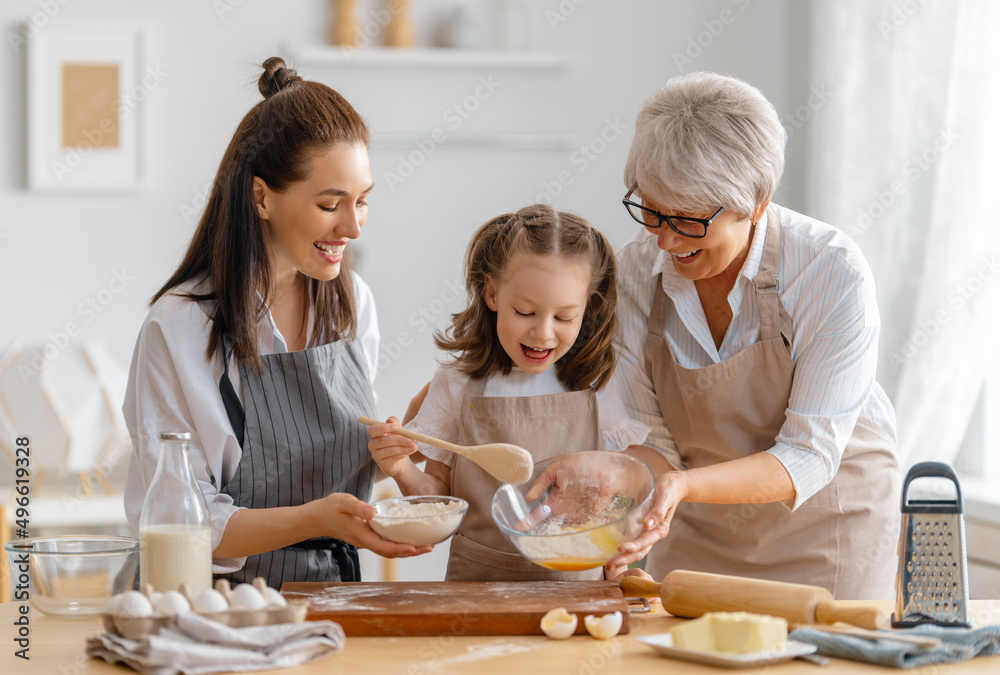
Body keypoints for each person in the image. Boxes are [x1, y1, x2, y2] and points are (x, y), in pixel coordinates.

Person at [122, 57, 431, 590]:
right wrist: (314, 518)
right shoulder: (179, 326)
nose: (353, 226)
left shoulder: (353, 303)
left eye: (362, 201)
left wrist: (387, 457)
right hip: (208, 611)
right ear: (261, 196)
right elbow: (179, 522)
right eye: (331, 203)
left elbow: (327, 458)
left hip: (331, 598)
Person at [607, 72, 901, 599]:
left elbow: (810, 455)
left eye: (690, 220)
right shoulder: (634, 271)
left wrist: (681, 486)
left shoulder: (828, 270)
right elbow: (650, 438)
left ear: (758, 202)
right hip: (700, 532)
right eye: (650, 210)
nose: (666, 239)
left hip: (828, 526)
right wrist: (647, 503)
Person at [365, 204, 649, 581]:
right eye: (525, 312)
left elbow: (613, 503)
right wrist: (400, 468)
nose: (543, 333)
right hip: (476, 592)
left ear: (587, 308)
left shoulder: (597, 383)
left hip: (577, 593)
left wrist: (621, 570)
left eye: (564, 317)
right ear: (493, 294)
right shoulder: (458, 382)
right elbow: (439, 496)